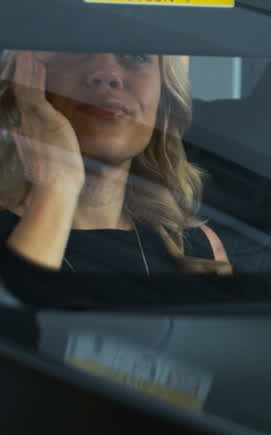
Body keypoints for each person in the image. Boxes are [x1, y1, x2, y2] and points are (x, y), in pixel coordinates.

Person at [0, 51, 230, 274]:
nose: (107, 73)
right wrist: (58, 185)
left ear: (162, 103)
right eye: (76, 50)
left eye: (136, 55)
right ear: (27, 80)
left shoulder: (198, 249)